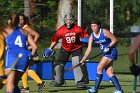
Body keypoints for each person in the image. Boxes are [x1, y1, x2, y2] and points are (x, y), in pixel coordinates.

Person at [44, 13, 89, 88]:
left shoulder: (78, 28)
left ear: (73, 20)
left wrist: (87, 39)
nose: (68, 21)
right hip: (65, 48)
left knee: (76, 62)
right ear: (64, 21)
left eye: (70, 20)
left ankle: (80, 81)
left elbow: (86, 36)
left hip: (76, 48)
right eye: (67, 20)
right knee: (59, 65)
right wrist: (50, 48)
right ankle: (58, 81)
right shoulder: (60, 30)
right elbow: (55, 40)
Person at [80, 19, 123, 93]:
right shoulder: (92, 35)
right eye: (92, 26)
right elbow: (89, 48)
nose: (93, 28)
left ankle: (95, 89)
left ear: (99, 26)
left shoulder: (104, 31)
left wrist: (108, 47)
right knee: (109, 72)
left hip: (111, 52)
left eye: (95, 26)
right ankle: (119, 90)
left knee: (99, 68)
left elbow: (115, 39)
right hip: (105, 53)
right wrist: (84, 58)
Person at [4, 13, 37, 93]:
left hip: (11, 55)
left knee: (9, 85)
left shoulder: (7, 31)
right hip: (24, 56)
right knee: (15, 84)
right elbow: (35, 47)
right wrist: (31, 58)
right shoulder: (25, 31)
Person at [18, 14, 46, 92]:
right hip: (24, 50)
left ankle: (40, 82)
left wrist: (32, 45)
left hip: (27, 51)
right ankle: (25, 87)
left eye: (22, 19)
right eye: (19, 19)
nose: (20, 21)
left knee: (25, 69)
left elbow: (37, 35)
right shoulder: (20, 28)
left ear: (24, 20)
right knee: (24, 69)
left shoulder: (26, 28)